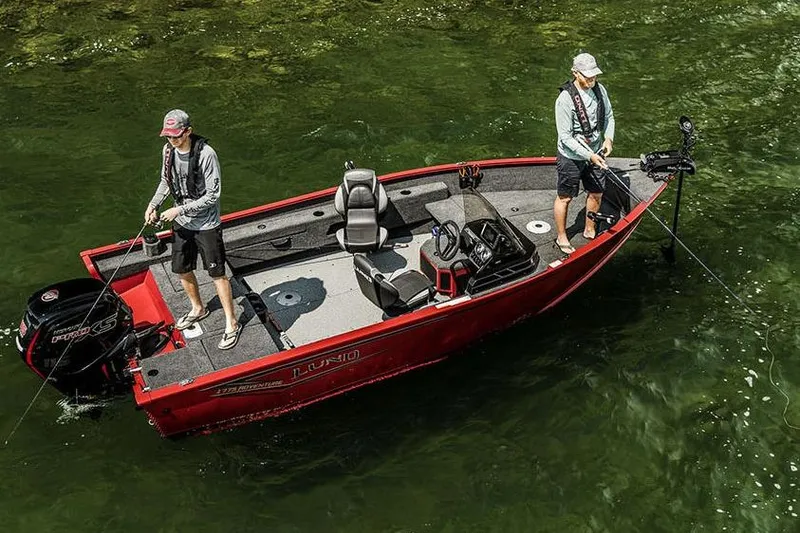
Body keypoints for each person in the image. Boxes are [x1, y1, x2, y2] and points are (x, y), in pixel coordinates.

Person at [144, 109, 241, 350]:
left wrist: (178, 211)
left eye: (176, 136)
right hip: (183, 223)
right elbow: (166, 182)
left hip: (207, 224)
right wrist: (153, 204)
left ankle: (232, 323)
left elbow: (212, 196)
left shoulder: (207, 154)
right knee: (181, 269)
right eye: (168, 137)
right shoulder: (168, 151)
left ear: (188, 131)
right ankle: (199, 308)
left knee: (217, 275)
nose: (172, 141)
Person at [553, 52, 615, 254]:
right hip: (572, 156)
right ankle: (562, 235)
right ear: (575, 73)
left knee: (596, 192)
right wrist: (589, 156)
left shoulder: (600, 90)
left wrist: (608, 139)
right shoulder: (564, 100)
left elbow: (609, 116)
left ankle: (590, 227)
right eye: (587, 76)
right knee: (565, 197)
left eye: (594, 76)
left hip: (596, 151)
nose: (592, 80)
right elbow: (565, 137)